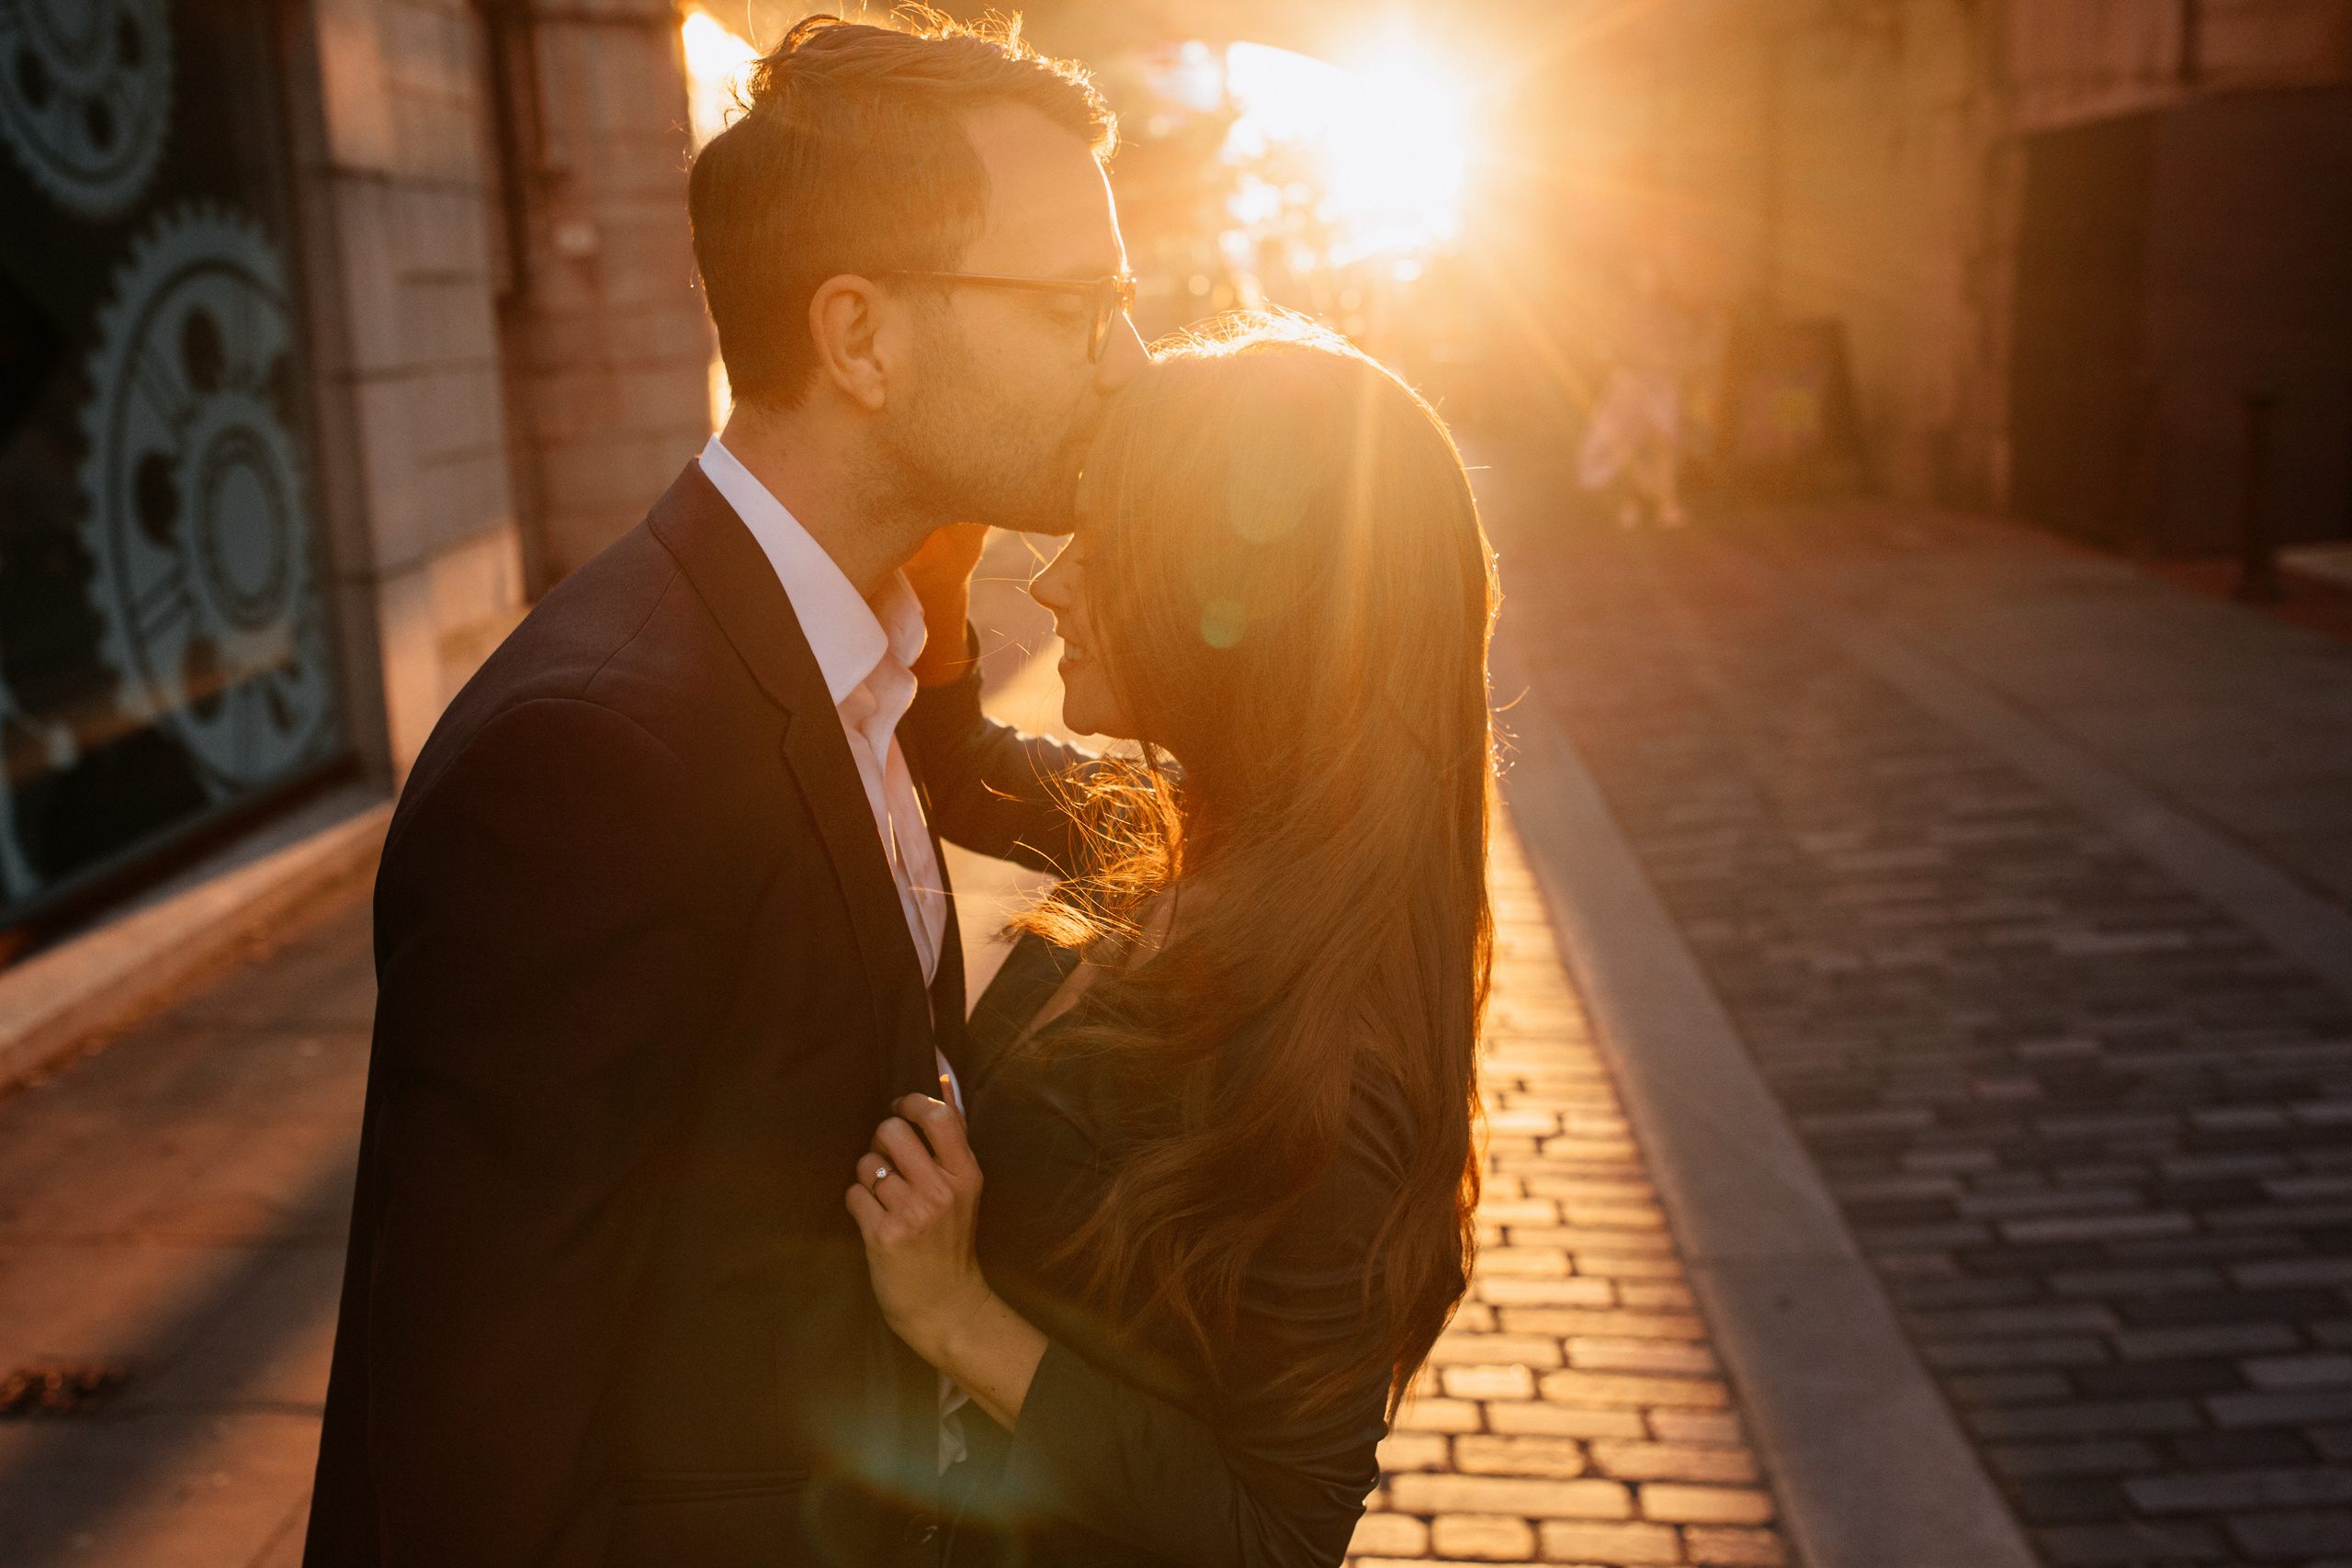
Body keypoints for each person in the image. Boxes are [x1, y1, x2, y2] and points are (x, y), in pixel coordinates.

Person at [302, 17, 1148, 1565]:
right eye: (1075, 307)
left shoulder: (860, 656)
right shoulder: (590, 764)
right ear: (860, 337)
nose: (1126, 362)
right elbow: (468, 1447)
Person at [848, 314, 1496, 1565]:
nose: (1051, 584)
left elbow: (1278, 1537)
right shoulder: (1196, 831)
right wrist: (937, 566)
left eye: (1108, 545)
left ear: (1238, 600)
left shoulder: (1332, 1063)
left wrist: (958, 1319)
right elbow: (961, 766)